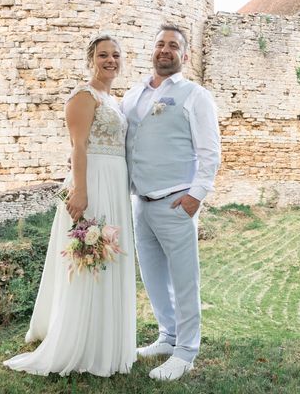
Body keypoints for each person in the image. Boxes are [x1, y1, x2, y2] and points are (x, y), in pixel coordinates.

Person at [3, 35, 136, 377]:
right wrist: (80, 191)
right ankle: (83, 342)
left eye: (116, 55)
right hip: (92, 183)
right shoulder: (83, 96)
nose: (111, 60)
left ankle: (109, 338)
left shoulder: (115, 100)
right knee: (90, 260)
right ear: (91, 59)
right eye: (103, 55)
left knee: (112, 257)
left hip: (116, 182)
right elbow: (78, 147)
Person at [122, 24, 221, 381]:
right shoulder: (133, 95)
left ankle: (186, 351)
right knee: (151, 276)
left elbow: (210, 151)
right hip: (140, 202)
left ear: (185, 55)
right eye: (161, 44)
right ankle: (167, 335)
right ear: (153, 50)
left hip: (176, 202)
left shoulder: (195, 95)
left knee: (184, 279)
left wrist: (197, 195)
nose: (165, 51)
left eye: (174, 46)